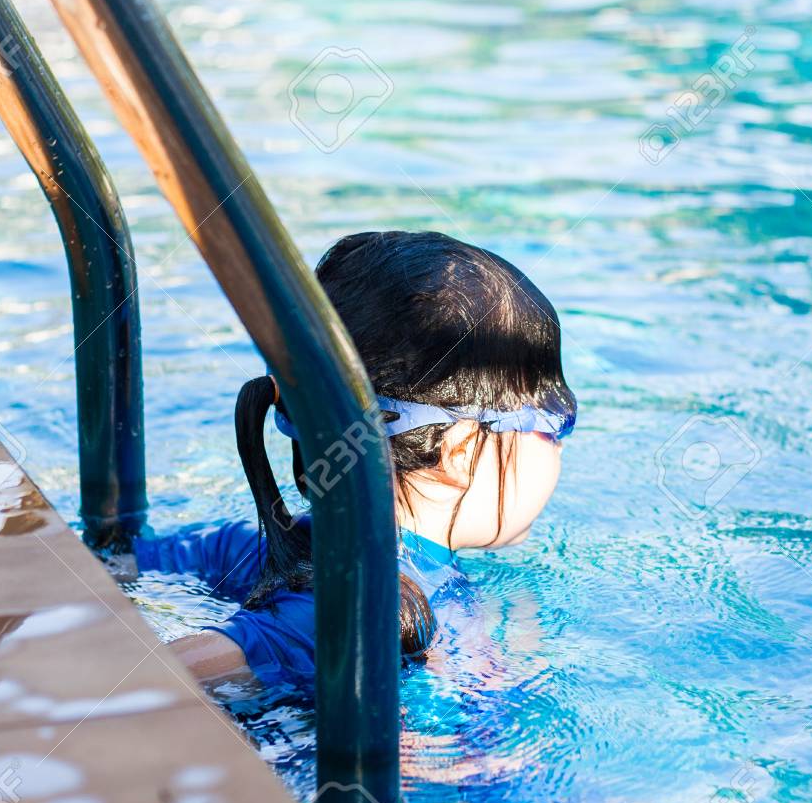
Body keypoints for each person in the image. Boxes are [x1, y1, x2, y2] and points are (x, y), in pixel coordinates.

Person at [114, 231, 576, 697]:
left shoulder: (266, 548)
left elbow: (116, 564)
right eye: (555, 421)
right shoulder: (361, 611)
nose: (559, 445)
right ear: (456, 451)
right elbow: (143, 682)